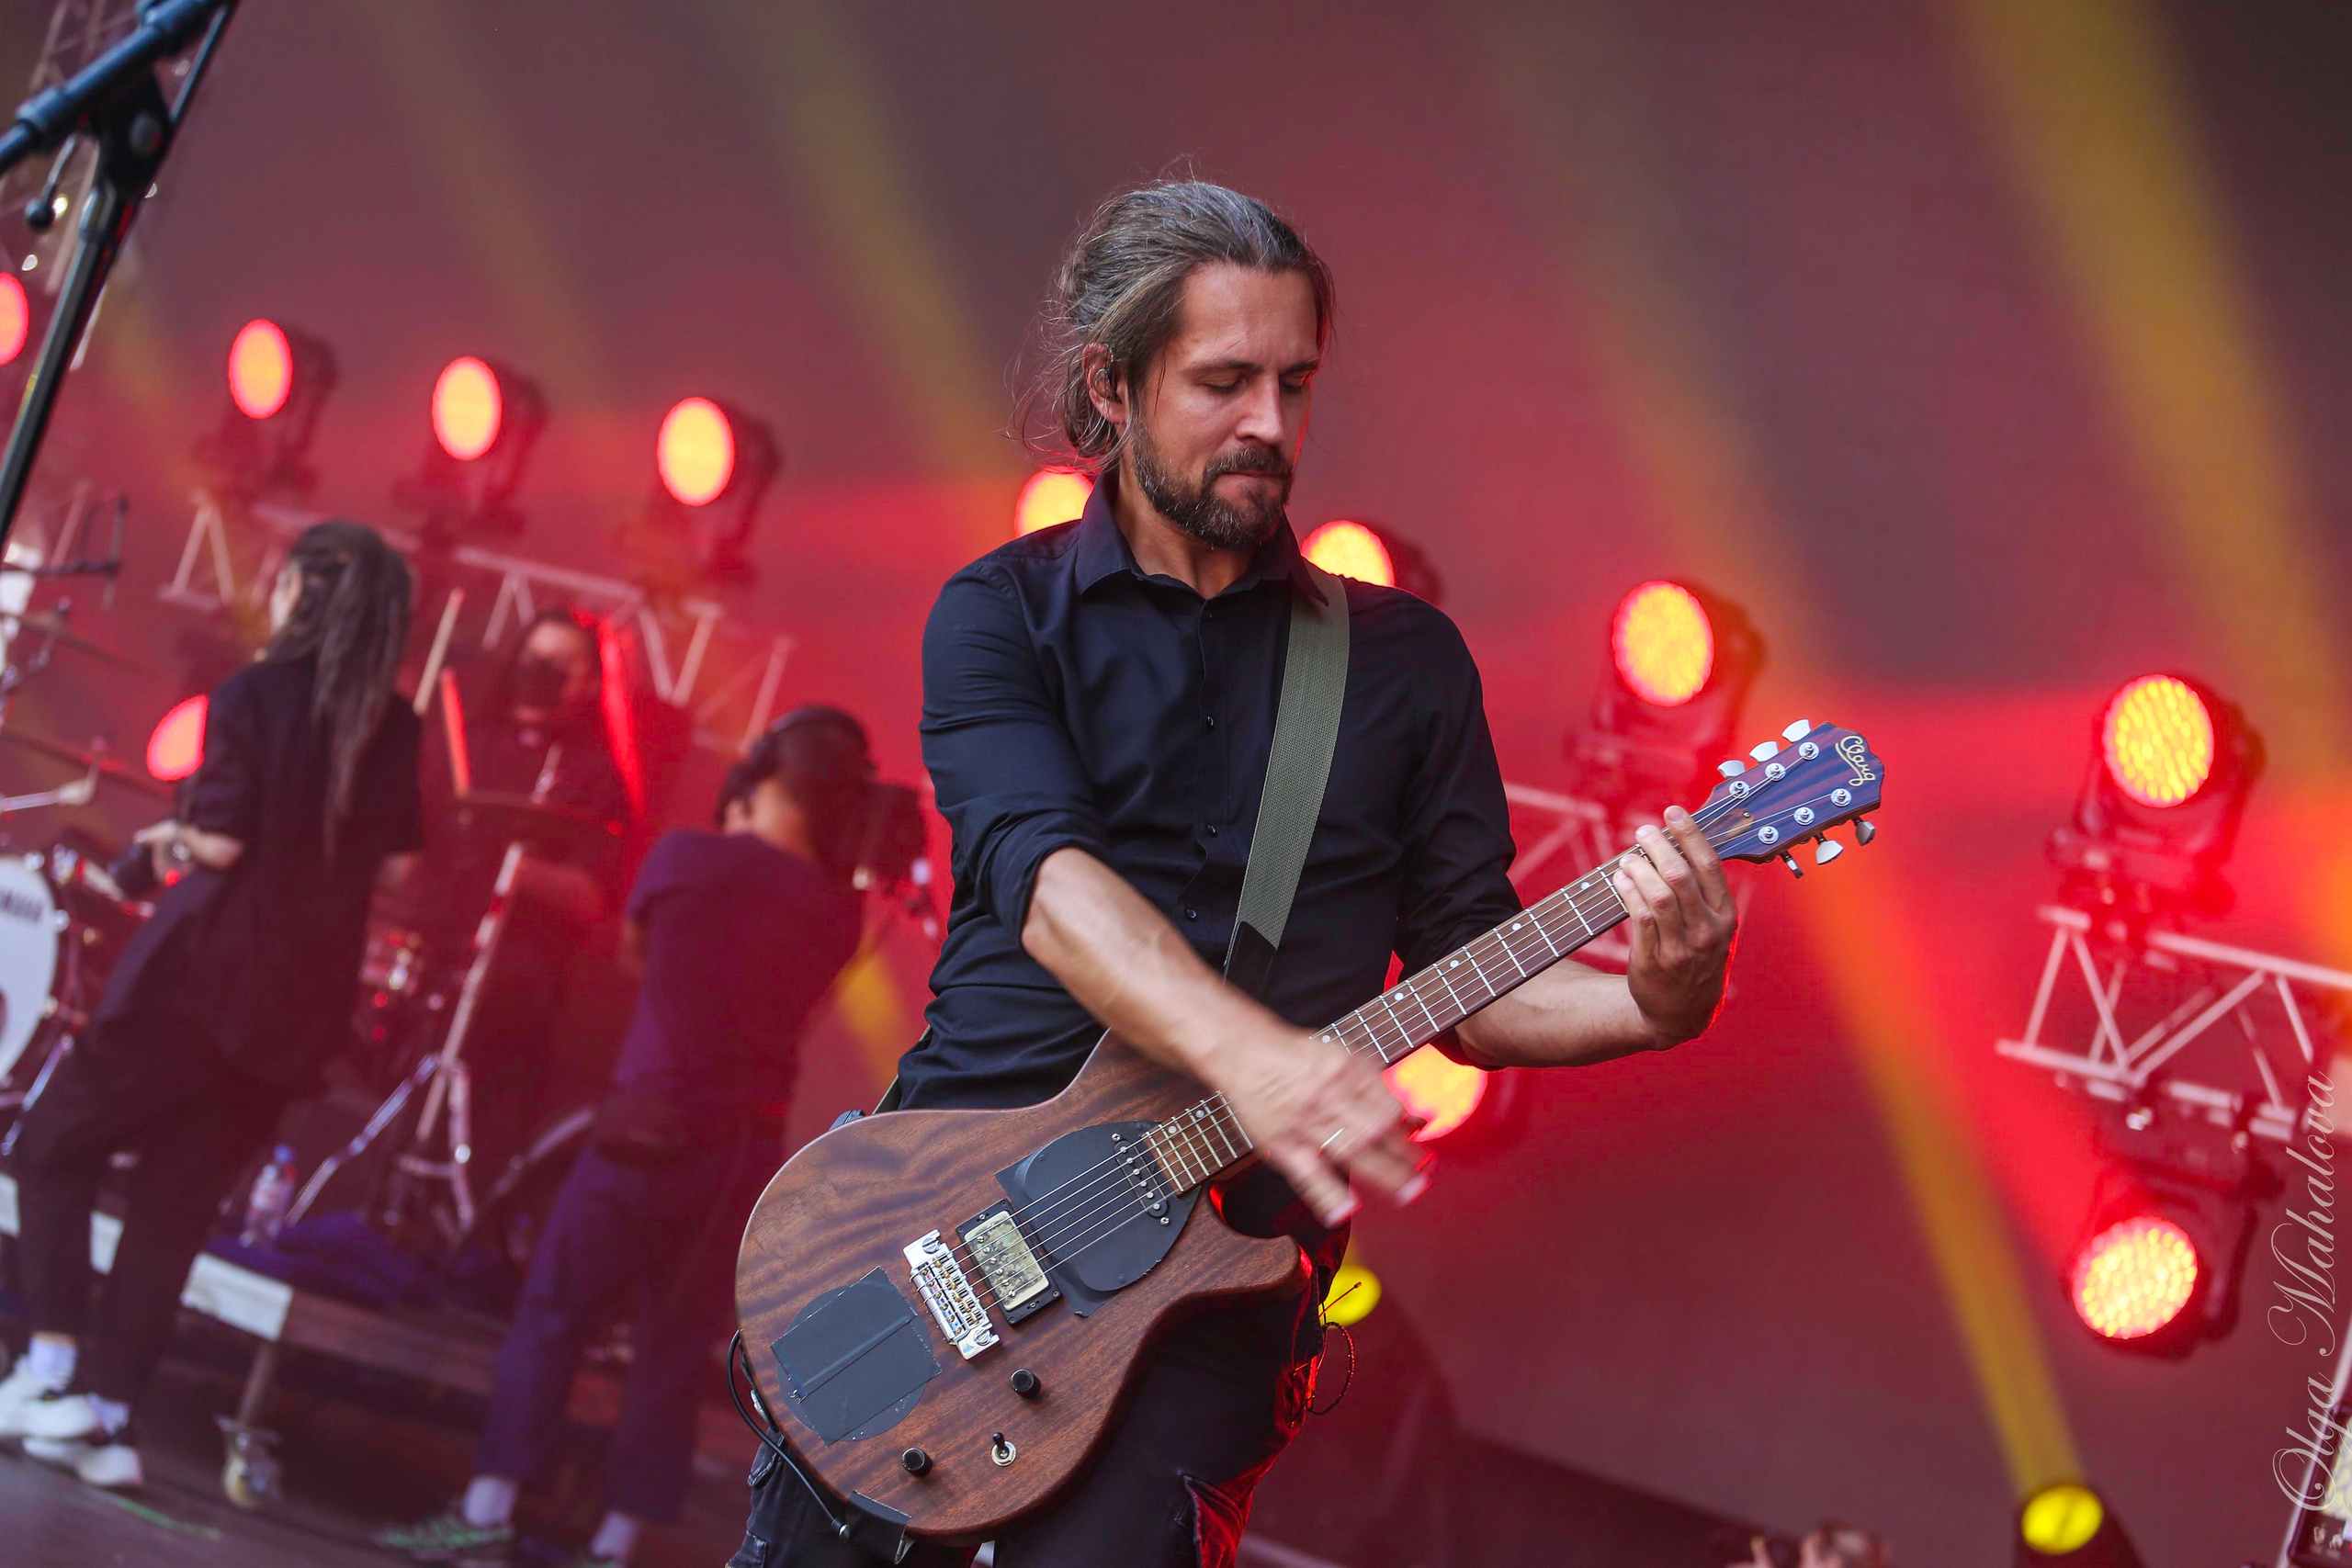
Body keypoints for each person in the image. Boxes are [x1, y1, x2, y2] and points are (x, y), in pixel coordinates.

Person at [732, 180, 1739, 1568]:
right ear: (1114, 383)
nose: (1271, 424)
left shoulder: (1403, 666)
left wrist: (1656, 1000)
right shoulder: (1000, 614)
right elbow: (1045, 882)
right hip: (935, 1223)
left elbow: (1473, 972)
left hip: (1208, 1286)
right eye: (1223, 381)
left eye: (1296, 381)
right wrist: (1258, 1056)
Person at [379, 707, 872, 1568]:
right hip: (739, 1156)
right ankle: (615, 1544)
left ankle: (488, 1509)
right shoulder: (840, 914)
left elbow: (640, 959)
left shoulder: (684, 855)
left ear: (756, 777)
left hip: (641, 1128)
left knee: (553, 1312)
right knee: (674, 1351)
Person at [0, 520, 421, 1488]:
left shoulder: (252, 695)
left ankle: (53, 1368)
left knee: (49, 1143)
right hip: (297, 1010)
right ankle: (108, 1419)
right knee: (172, 1211)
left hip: (202, 985)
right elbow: (398, 867)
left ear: (302, 595)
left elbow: (222, 842)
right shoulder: (392, 723)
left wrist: (164, 846)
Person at [410, 606, 638, 1186]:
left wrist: (516, 866)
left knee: (488, 1129)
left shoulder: (597, 776)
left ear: (590, 682)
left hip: (518, 990)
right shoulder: (464, 741)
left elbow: (594, 899)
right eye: (535, 658)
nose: (542, 672)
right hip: (430, 956)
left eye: (561, 665)